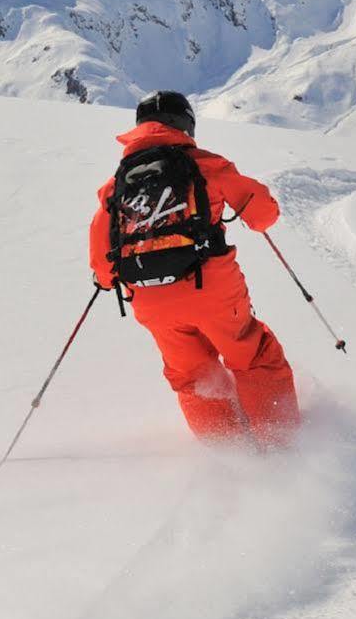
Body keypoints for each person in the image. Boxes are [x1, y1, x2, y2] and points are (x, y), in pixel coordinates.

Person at [89, 91, 302, 447]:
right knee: (253, 357)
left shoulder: (117, 184)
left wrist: (108, 278)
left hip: (150, 301)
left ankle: (227, 452)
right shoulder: (205, 164)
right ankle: (281, 445)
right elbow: (263, 215)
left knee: (191, 375)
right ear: (186, 125)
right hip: (212, 289)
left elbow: (102, 258)